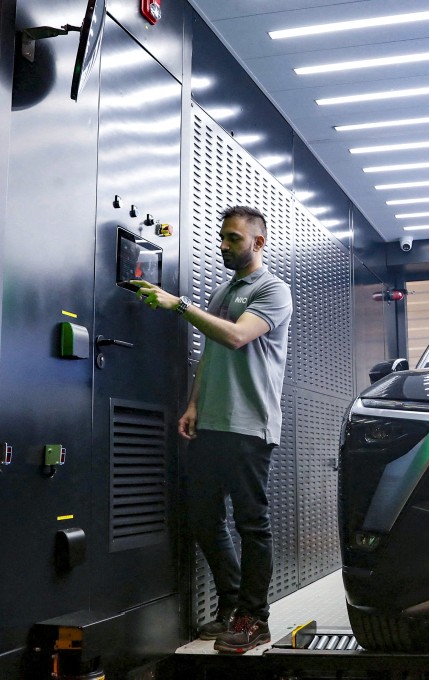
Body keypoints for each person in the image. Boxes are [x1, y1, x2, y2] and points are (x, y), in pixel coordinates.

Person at [133, 205, 292, 654]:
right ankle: (230, 602)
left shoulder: (273, 290)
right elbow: (210, 354)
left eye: (234, 238)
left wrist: (180, 304)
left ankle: (253, 618)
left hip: (248, 426)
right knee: (204, 519)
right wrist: (194, 405)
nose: (224, 244)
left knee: (251, 524)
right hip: (212, 424)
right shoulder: (224, 290)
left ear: (258, 242)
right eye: (222, 237)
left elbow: (237, 337)